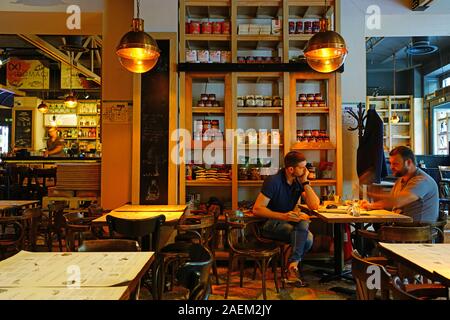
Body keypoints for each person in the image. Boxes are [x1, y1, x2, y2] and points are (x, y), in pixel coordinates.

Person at [253, 151, 320, 287]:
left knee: (305, 226)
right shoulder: (273, 181)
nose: (305, 170)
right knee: (307, 238)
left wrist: (306, 182)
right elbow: (257, 209)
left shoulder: (298, 181)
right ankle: (291, 268)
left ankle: (291, 266)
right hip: (268, 224)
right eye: (302, 167)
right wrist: (284, 216)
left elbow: (314, 205)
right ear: (291, 169)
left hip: (286, 222)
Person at [361, 146, 439, 223]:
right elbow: (391, 204)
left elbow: (397, 201)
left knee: (362, 232)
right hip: (401, 227)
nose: (391, 167)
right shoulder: (401, 179)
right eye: (390, 163)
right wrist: (370, 205)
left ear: (408, 162)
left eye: (395, 164)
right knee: (368, 228)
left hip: (416, 232)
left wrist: (371, 193)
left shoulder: (422, 181)